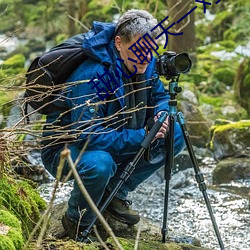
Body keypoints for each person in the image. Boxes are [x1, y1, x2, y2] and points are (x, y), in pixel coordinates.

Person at [41, 9, 185, 241]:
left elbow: (159, 96)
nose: (147, 58)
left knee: (175, 132)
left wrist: (161, 114)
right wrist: (142, 136)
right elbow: (87, 135)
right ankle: (76, 221)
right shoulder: (92, 76)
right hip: (67, 150)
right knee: (100, 164)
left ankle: (115, 193)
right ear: (119, 43)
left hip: (117, 136)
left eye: (151, 50)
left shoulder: (144, 61)